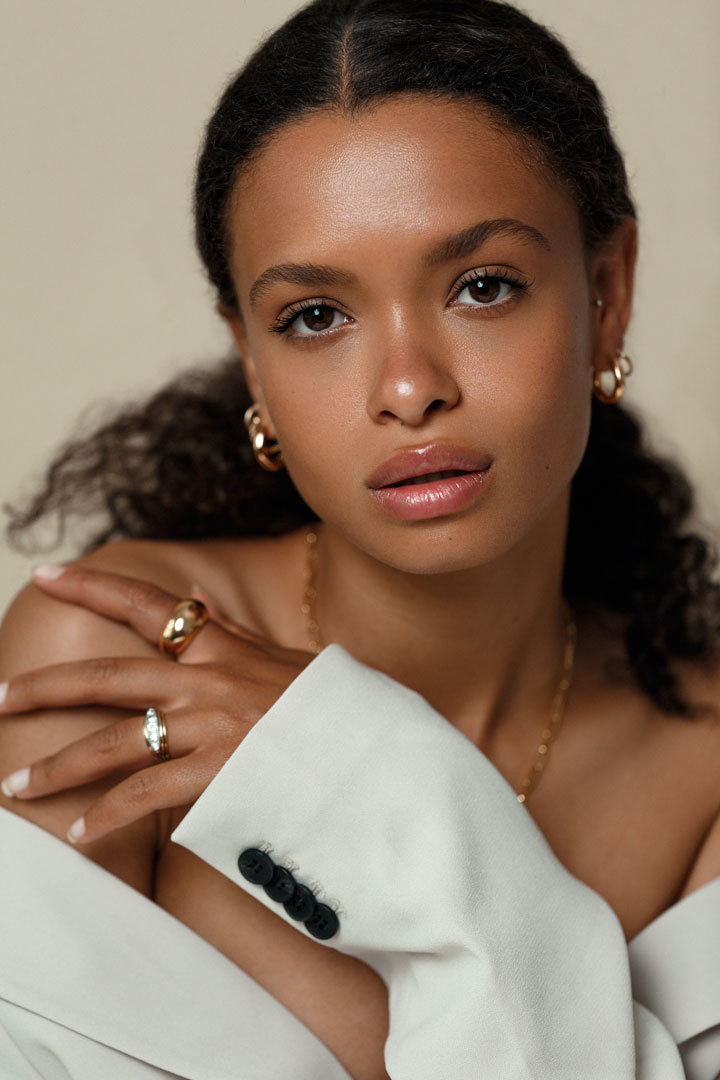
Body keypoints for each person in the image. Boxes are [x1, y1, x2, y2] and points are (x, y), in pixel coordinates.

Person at [0, 0, 719, 1077]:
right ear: (252, 362)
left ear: (607, 296)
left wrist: (364, 775)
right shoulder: (112, 664)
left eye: (483, 287)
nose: (408, 388)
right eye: (314, 317)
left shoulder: (705, 773)